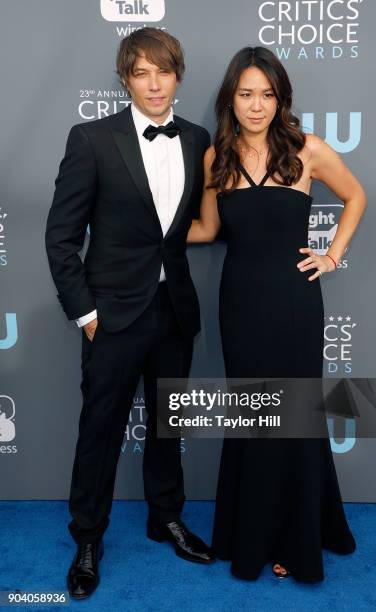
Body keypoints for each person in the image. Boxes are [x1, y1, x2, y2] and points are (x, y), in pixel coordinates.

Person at [45, 28, 214, 600]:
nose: (154, 83)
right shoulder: (91, 139)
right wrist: (85, 314)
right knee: (100, 431)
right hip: (111, 314)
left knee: (169, 428)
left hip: (173, 311)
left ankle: (165, 517)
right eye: (141, 72)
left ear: (177, 76)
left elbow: (189, 227)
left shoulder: (197, 139)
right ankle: (88, 538)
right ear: (125, 79)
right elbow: (61, 237)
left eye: (162, 71)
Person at [187, 46, 366, 582]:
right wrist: (139, 234)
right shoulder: (216, 157)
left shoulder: (307, 150)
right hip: (240, 303)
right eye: (246, 94)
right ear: (231, 100)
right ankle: (251, 531)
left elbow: (355, 196)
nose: (256, 105)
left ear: (280, 98)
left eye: (266, 94)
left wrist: (332, 256)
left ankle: (296, 536)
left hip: (295, 304)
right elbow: (208, 230)